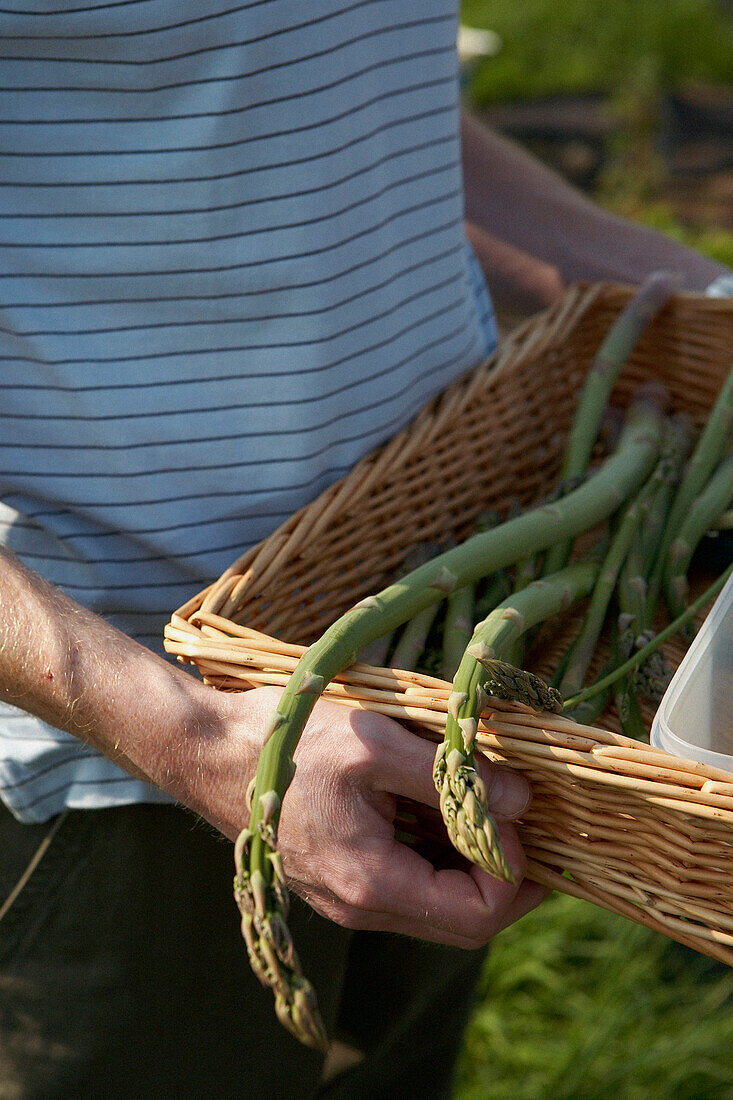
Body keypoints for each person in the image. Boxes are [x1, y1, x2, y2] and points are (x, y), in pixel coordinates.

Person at [0, 5, 728, 1098]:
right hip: (117, 752)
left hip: (453, 639)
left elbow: (338, 95)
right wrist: (191, 733)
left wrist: (701, 296)